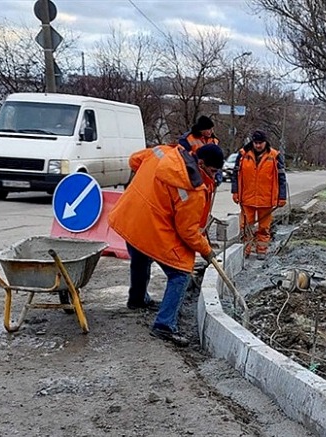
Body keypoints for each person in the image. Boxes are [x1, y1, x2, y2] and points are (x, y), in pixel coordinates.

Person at [109, 143, 224, 347]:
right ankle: (165, 325)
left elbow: (134, 160)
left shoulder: (165, 152)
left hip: (129, 215)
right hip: (150, 226)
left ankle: (137, 299)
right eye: (213, 171)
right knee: (180, 273)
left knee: (140, 255)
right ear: (200, 163)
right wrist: (206, 250)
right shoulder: (193, 190)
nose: (214, 177)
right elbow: (187, 232)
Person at [231, 130, 287, 260]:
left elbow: (281, 178)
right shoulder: (243, 155)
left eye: (260, 143)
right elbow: (236, 175)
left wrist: (282, 197)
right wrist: (235, 192)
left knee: (264, 228)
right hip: (247, 198)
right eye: (255, 143)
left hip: (266, 199)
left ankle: (261, 249)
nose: (258, 145)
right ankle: (246, 249)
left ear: (265, 142)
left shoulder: (274, 156)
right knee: (245, 227)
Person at [177, 116, 223, 184]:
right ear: (201, 129)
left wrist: (217, 177)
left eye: (212, 129)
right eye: (209, 129)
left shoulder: (214, 140)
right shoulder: (188, 139)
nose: (211, 131)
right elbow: (184, 158)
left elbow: (217, 161)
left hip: (209, 176)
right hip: (194, 176)